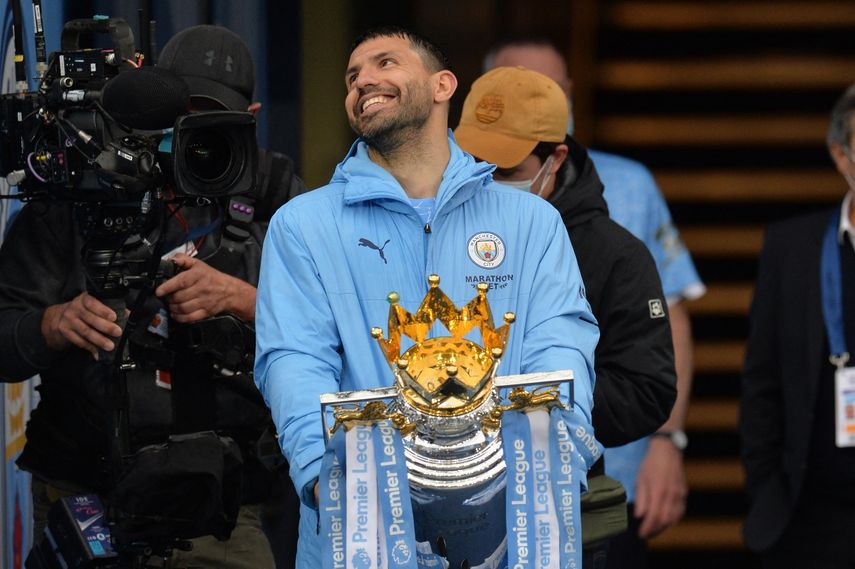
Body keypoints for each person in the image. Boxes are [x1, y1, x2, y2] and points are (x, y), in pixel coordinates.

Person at [254, 25, 600, 569]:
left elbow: (562, 350)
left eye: (385, 63)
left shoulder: (532, 221)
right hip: (362, 533)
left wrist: (557, 470)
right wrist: (325, 480)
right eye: (351, 76)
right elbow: (294, 361)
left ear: (443, 86)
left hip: (514, 532)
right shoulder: (303, 225)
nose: (363, 80)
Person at [0, 24, 302, 569]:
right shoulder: (81, 184)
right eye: (175, 109)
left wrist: (243, 299)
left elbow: (340, 332)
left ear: (249, 117)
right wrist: (51, 324)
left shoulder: (274, 194)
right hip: (83, 499)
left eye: (208, 114)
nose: (186, 129)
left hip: (220, 515)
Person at [484, 38, 705, 563]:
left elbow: (667, 330)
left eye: (547, 88)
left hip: (590, 485)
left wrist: (668, 442)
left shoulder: (624, 207)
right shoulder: (444, 208)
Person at [740, 83, 855, 568]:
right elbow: (761, 379)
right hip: (810, 519)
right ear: (842, 156)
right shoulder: (793, 249)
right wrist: (767, 485)